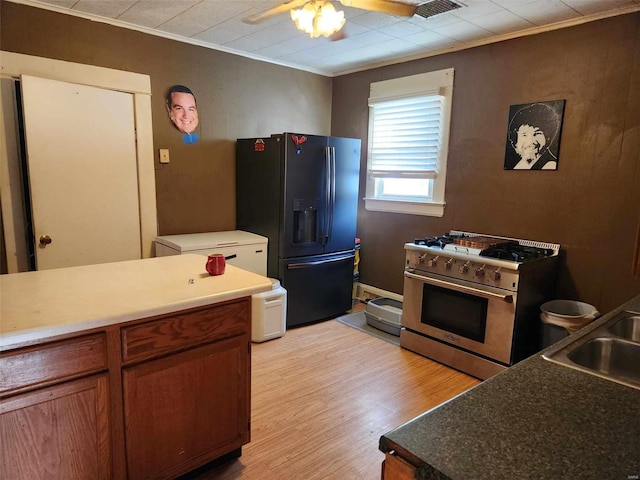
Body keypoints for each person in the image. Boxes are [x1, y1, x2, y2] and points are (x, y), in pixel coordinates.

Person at [505, 102, 562, 170]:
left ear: (548, 137)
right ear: (515, 139)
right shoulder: (517, 164)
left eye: (537, 134)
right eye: (524, 135)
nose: (530, 141)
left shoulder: (550, 165)